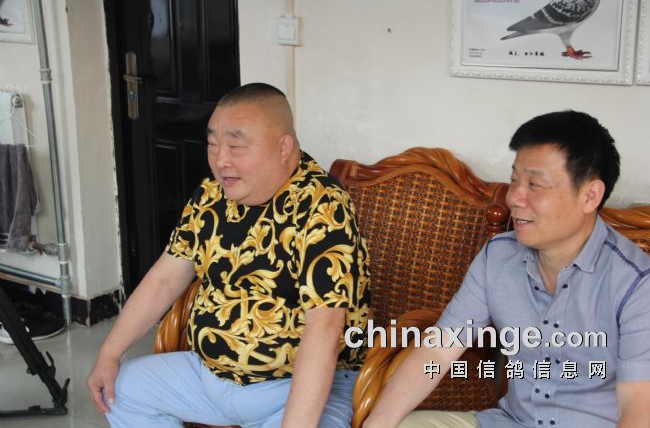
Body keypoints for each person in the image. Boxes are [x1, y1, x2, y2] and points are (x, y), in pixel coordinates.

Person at [87, 83, 371, 428]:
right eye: (213, 144)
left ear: (284, 147)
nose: (221, 161)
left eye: (236, 146)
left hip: (291, 389)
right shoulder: (212, 194)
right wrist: (109, 353)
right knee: (118, 391)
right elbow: (165, 277)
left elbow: (324, 329)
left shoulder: (322, 206)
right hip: (208, 377)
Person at [362, 110, 650, 428]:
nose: (515, 198)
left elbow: (639, 407)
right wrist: (379, 423)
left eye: (535, 185)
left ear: (589, 195)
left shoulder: (636, 285)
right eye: (514, 180)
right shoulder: (498, 256)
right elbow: (439, 350)